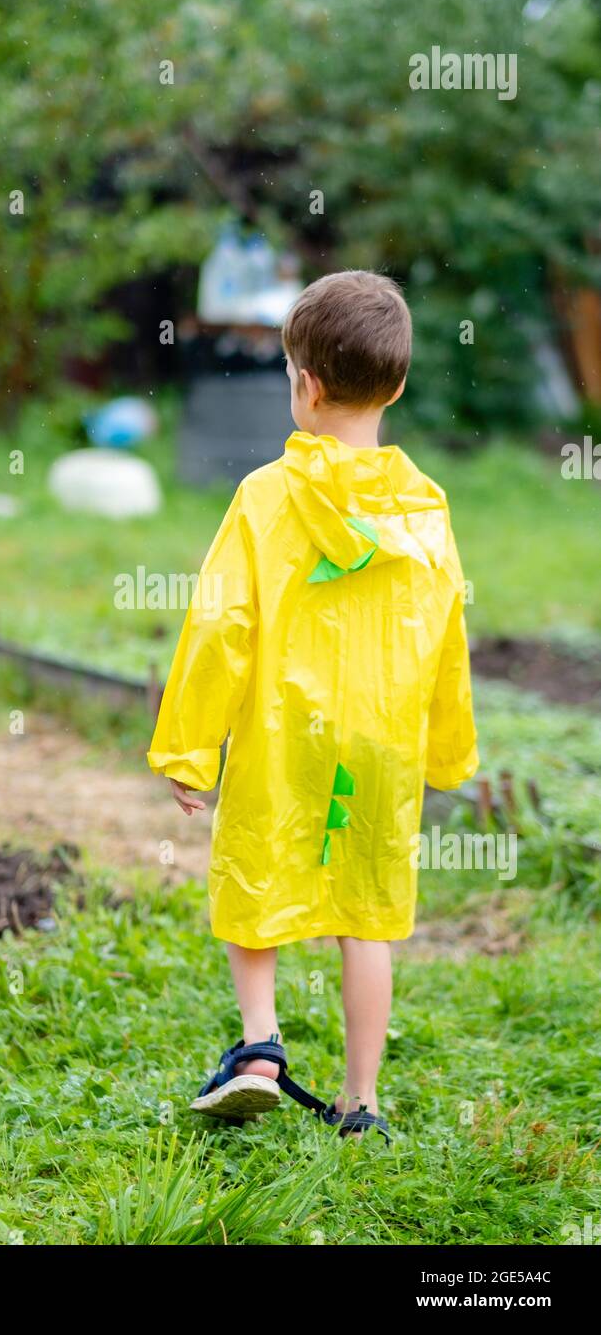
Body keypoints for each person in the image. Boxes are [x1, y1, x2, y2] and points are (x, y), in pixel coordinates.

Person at [147, 270, 478, 1142]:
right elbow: (446, 635)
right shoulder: (427, 512)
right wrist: (447, 750)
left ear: (304, 385)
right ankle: (362, 1102)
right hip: (381, 741)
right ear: (398, 386)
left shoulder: (264, 498)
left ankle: (260, 1047)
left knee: (255, 874)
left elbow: (221, 627)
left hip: (282, 732)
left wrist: (188, 751)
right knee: (366, 916)